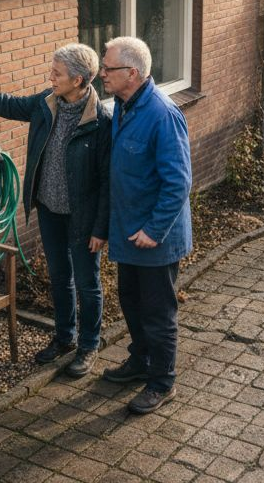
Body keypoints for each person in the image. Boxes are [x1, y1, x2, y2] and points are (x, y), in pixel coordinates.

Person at [0, 44, 111, 378]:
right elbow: (8, 104)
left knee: (88, 283)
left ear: (78, 80)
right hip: (49, 210)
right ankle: (65, 337)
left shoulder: (101, 122)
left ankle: (89, 346)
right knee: (60, 277)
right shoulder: (46, 103)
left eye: (57, 73)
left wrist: (101, 229)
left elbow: (107, 182)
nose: (50, 77)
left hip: (83, 219)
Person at [97, 36, 192, 415]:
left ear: (132, 73)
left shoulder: (162, 114)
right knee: (131, 302)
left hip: (155, 239)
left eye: (108, 68)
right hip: (128, 232)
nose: (102, 74)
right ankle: (140, 362)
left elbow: (178, 183)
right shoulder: (123, 106)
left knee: (157, 313)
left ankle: (162, 382)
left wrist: (154, 230)